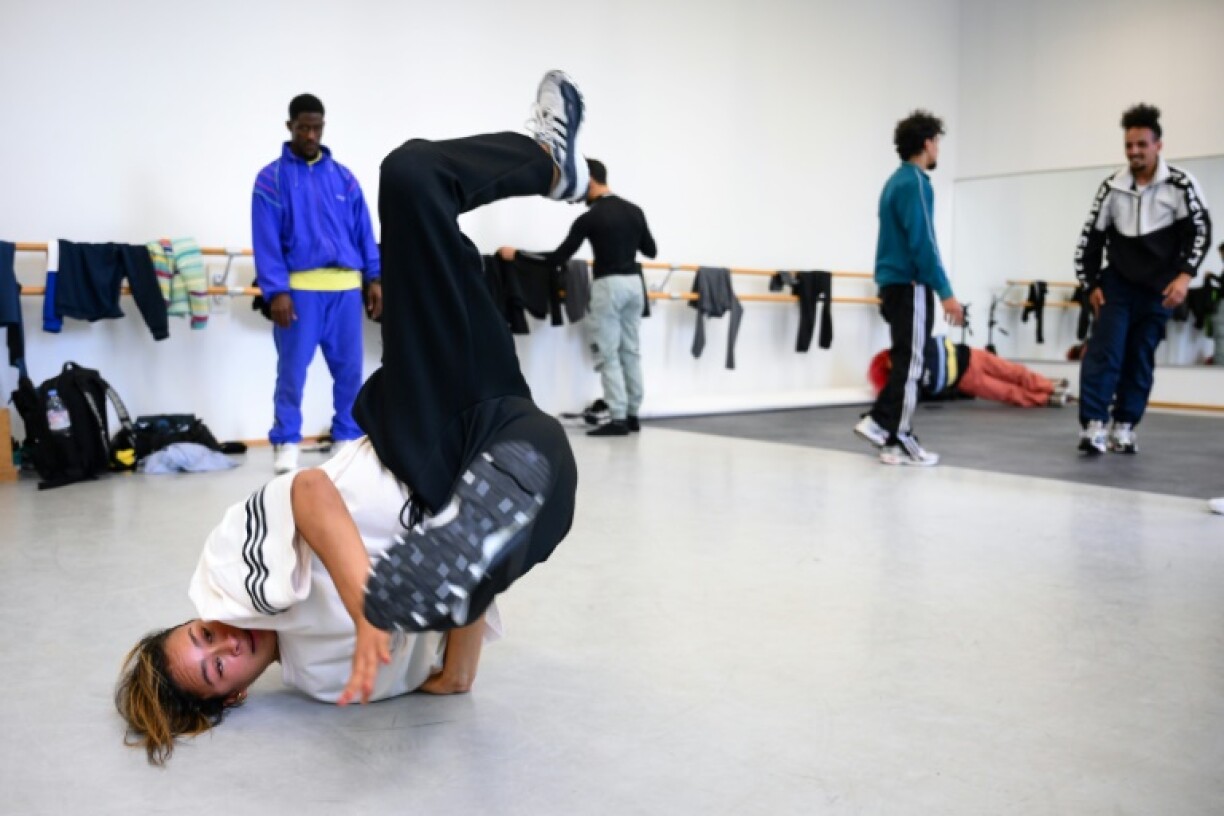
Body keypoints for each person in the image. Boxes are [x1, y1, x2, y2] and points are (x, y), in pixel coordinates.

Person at [117, 70, 587, 765]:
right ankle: (513, 487)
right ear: (237, 695)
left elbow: (309, 493)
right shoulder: (326, 679)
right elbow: (445, 623)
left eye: (200, 635)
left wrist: (366, 602)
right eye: (217, 666)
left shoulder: (229, 577)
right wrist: (458, 671)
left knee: (412, 174)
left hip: (417, 424)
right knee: (542, 457)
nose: (225, 641)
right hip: (476, 466)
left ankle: (548, 162)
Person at [252, 93, 383, 474]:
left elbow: (364, 232)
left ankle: (347, 439)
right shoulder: (271, 179)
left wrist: (374, 278)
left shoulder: (344, 178)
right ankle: (287, 441)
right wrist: (276, 290)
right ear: (289, 126)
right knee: (292, 371)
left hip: (344, 290)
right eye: (304, 127)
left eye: (317, 127)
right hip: (300, 291)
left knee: (349, 372)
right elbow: (266, 239)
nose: (311, 134)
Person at [1074, 103, 1212, 455]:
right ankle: (1094, 426)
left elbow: (1200, 233)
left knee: (1140, 357)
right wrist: (1091, 284)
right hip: (1117, 286)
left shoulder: (1181, 184)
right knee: (1105, 354)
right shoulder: (1112, 186)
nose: (1134, 152)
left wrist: (1184, 278)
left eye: (1141, 145)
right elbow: (1090, 239)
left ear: (1158, 145)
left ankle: (1125, 426)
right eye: (1129, 146)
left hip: (1158, 290)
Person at [499, 158, 657, 437]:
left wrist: (518, 254)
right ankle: (632, 415)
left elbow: (559, 258)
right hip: (635, 285)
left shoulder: (591, 218)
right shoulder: (635, 211)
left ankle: (617, 419)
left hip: (608, 285)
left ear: (591, 180)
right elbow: (651, 251)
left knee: (609, 353)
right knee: (630, 350)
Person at [854, 110, 965, 467]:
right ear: (927, 143)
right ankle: (893, 430)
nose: (938, 150)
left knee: (905, 359)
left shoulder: (893, 182)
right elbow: (924, 243)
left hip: (891, 286)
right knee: (913, 364)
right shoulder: (916, 183)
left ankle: (888, 437)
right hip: (910, 287)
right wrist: (945, 291)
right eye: (937, 143)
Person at [868, 337, 1072, 408]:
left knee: (1015, 372)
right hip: (966, 379)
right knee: (1008, 393)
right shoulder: (910, 382)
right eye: (888, 366)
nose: (892, 363)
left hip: (972, 356)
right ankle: (1047, 399)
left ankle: (1049, 385)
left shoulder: (911, 345)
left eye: (889, 360)